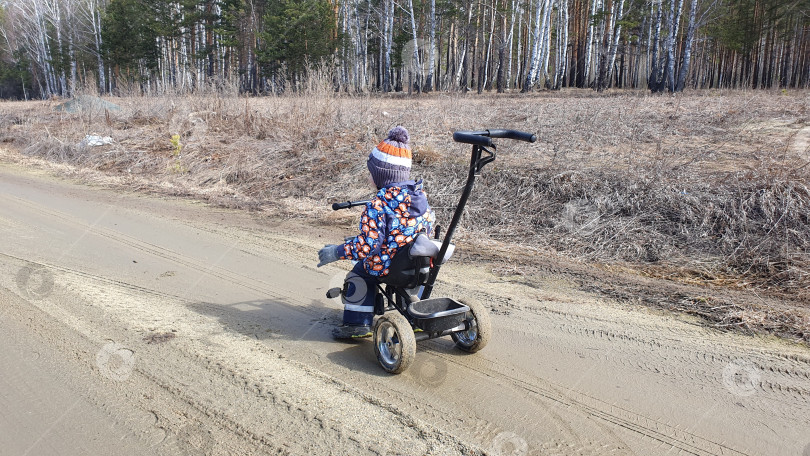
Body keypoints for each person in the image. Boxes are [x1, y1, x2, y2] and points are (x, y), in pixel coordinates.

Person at [317, 126, 435, 339]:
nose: (369, 177)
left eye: (371, 173)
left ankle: (357, 324)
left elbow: (366, 247)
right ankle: (412, 317)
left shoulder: (378, 205)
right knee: (405, 264)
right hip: (417, 264)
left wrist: (337, 251)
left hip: (388, 266)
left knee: (359, 273)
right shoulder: (420, 199)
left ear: (381, 176)